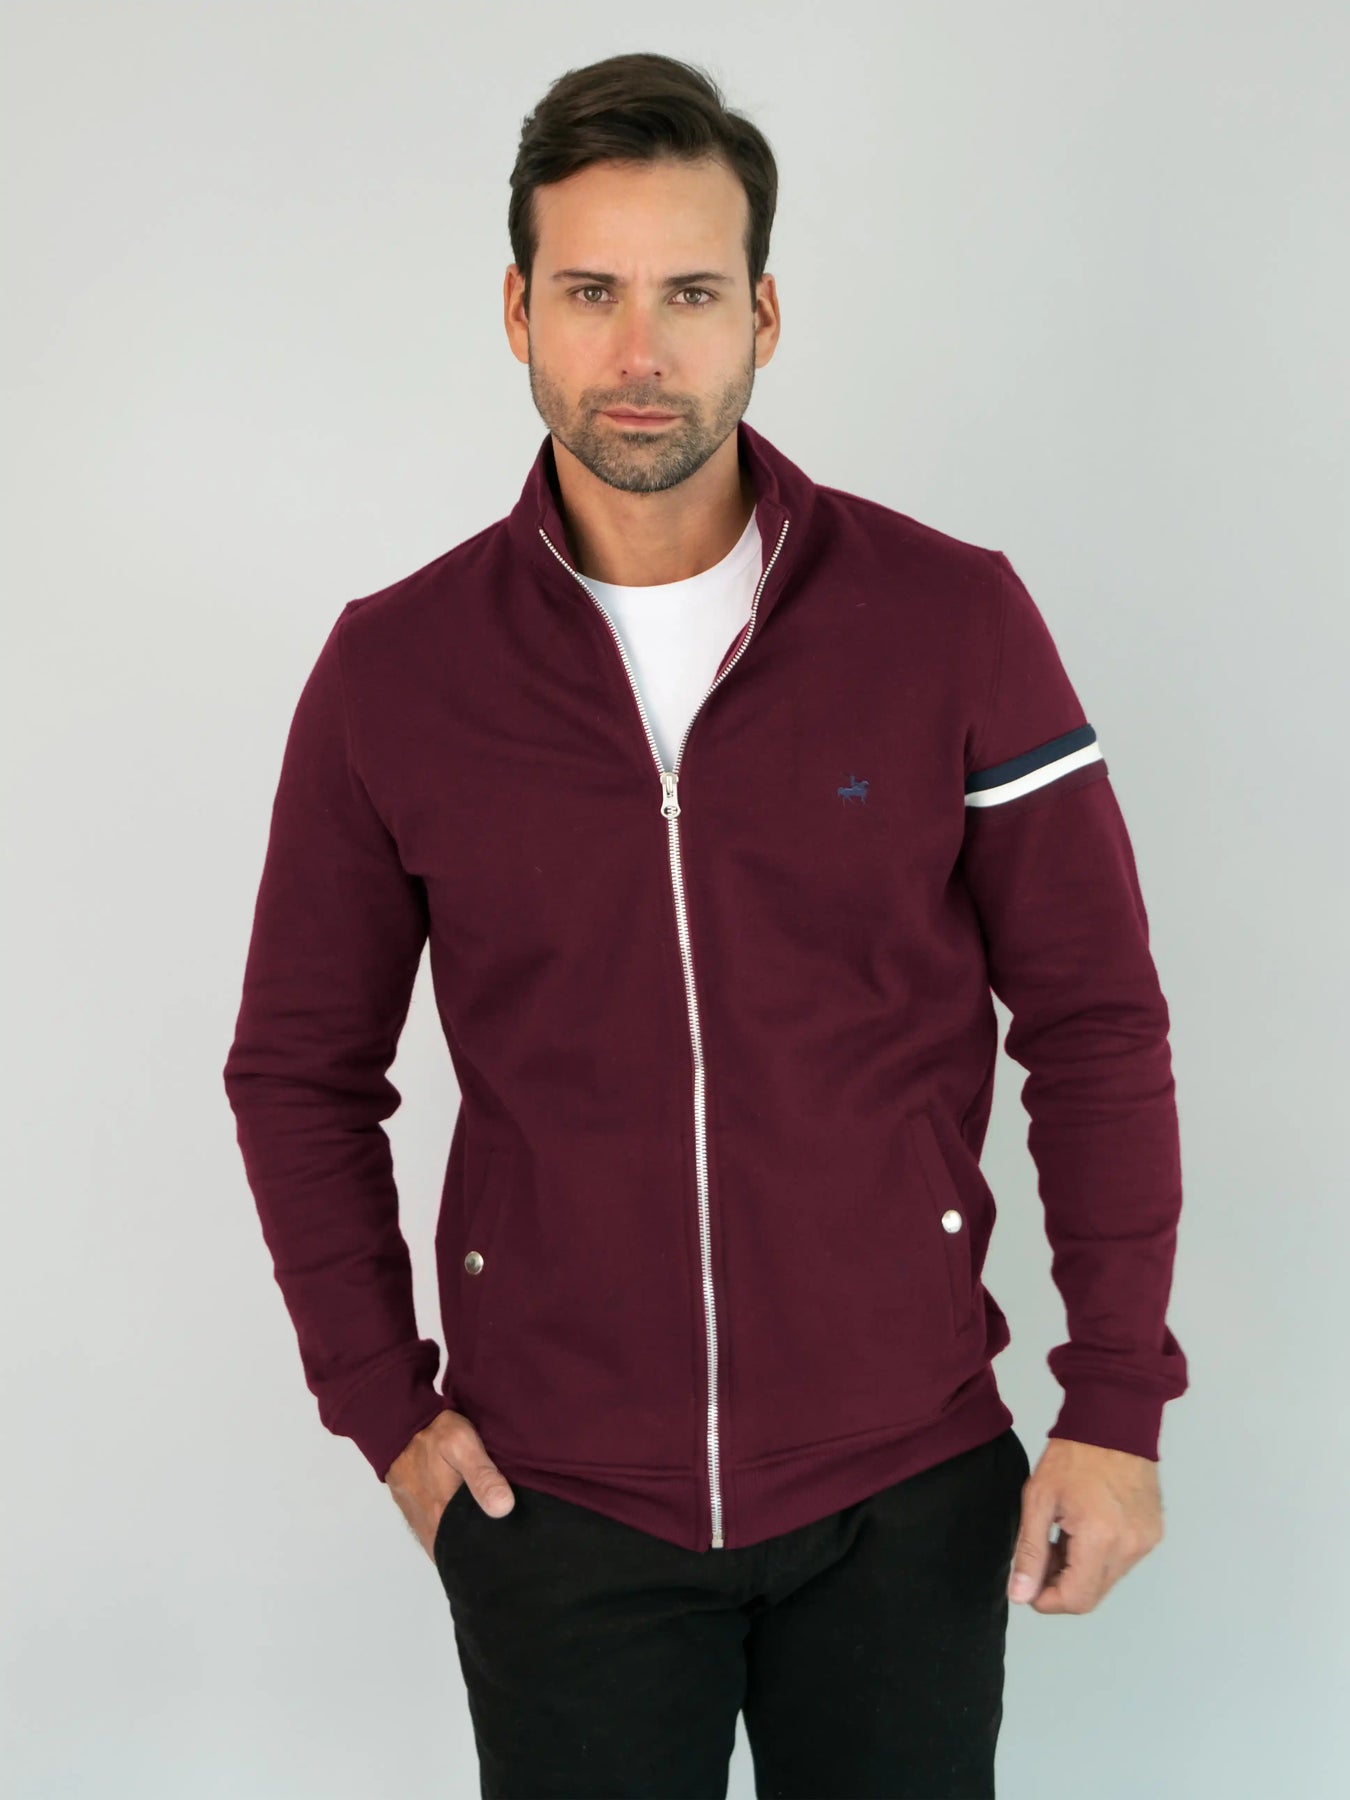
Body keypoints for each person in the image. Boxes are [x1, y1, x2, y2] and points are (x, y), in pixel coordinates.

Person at [222, 50, 1188, 1800]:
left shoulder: (951, 620)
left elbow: (1094, 1019)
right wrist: (386, 1411)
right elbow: (299, 1070)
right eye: (589, 291)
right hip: (556, 1506)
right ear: (516, 312)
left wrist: (1115, 1401)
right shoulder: (393, 671)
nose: (638, 350)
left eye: (687, 292)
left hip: (905, 1480)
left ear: (763, 314)